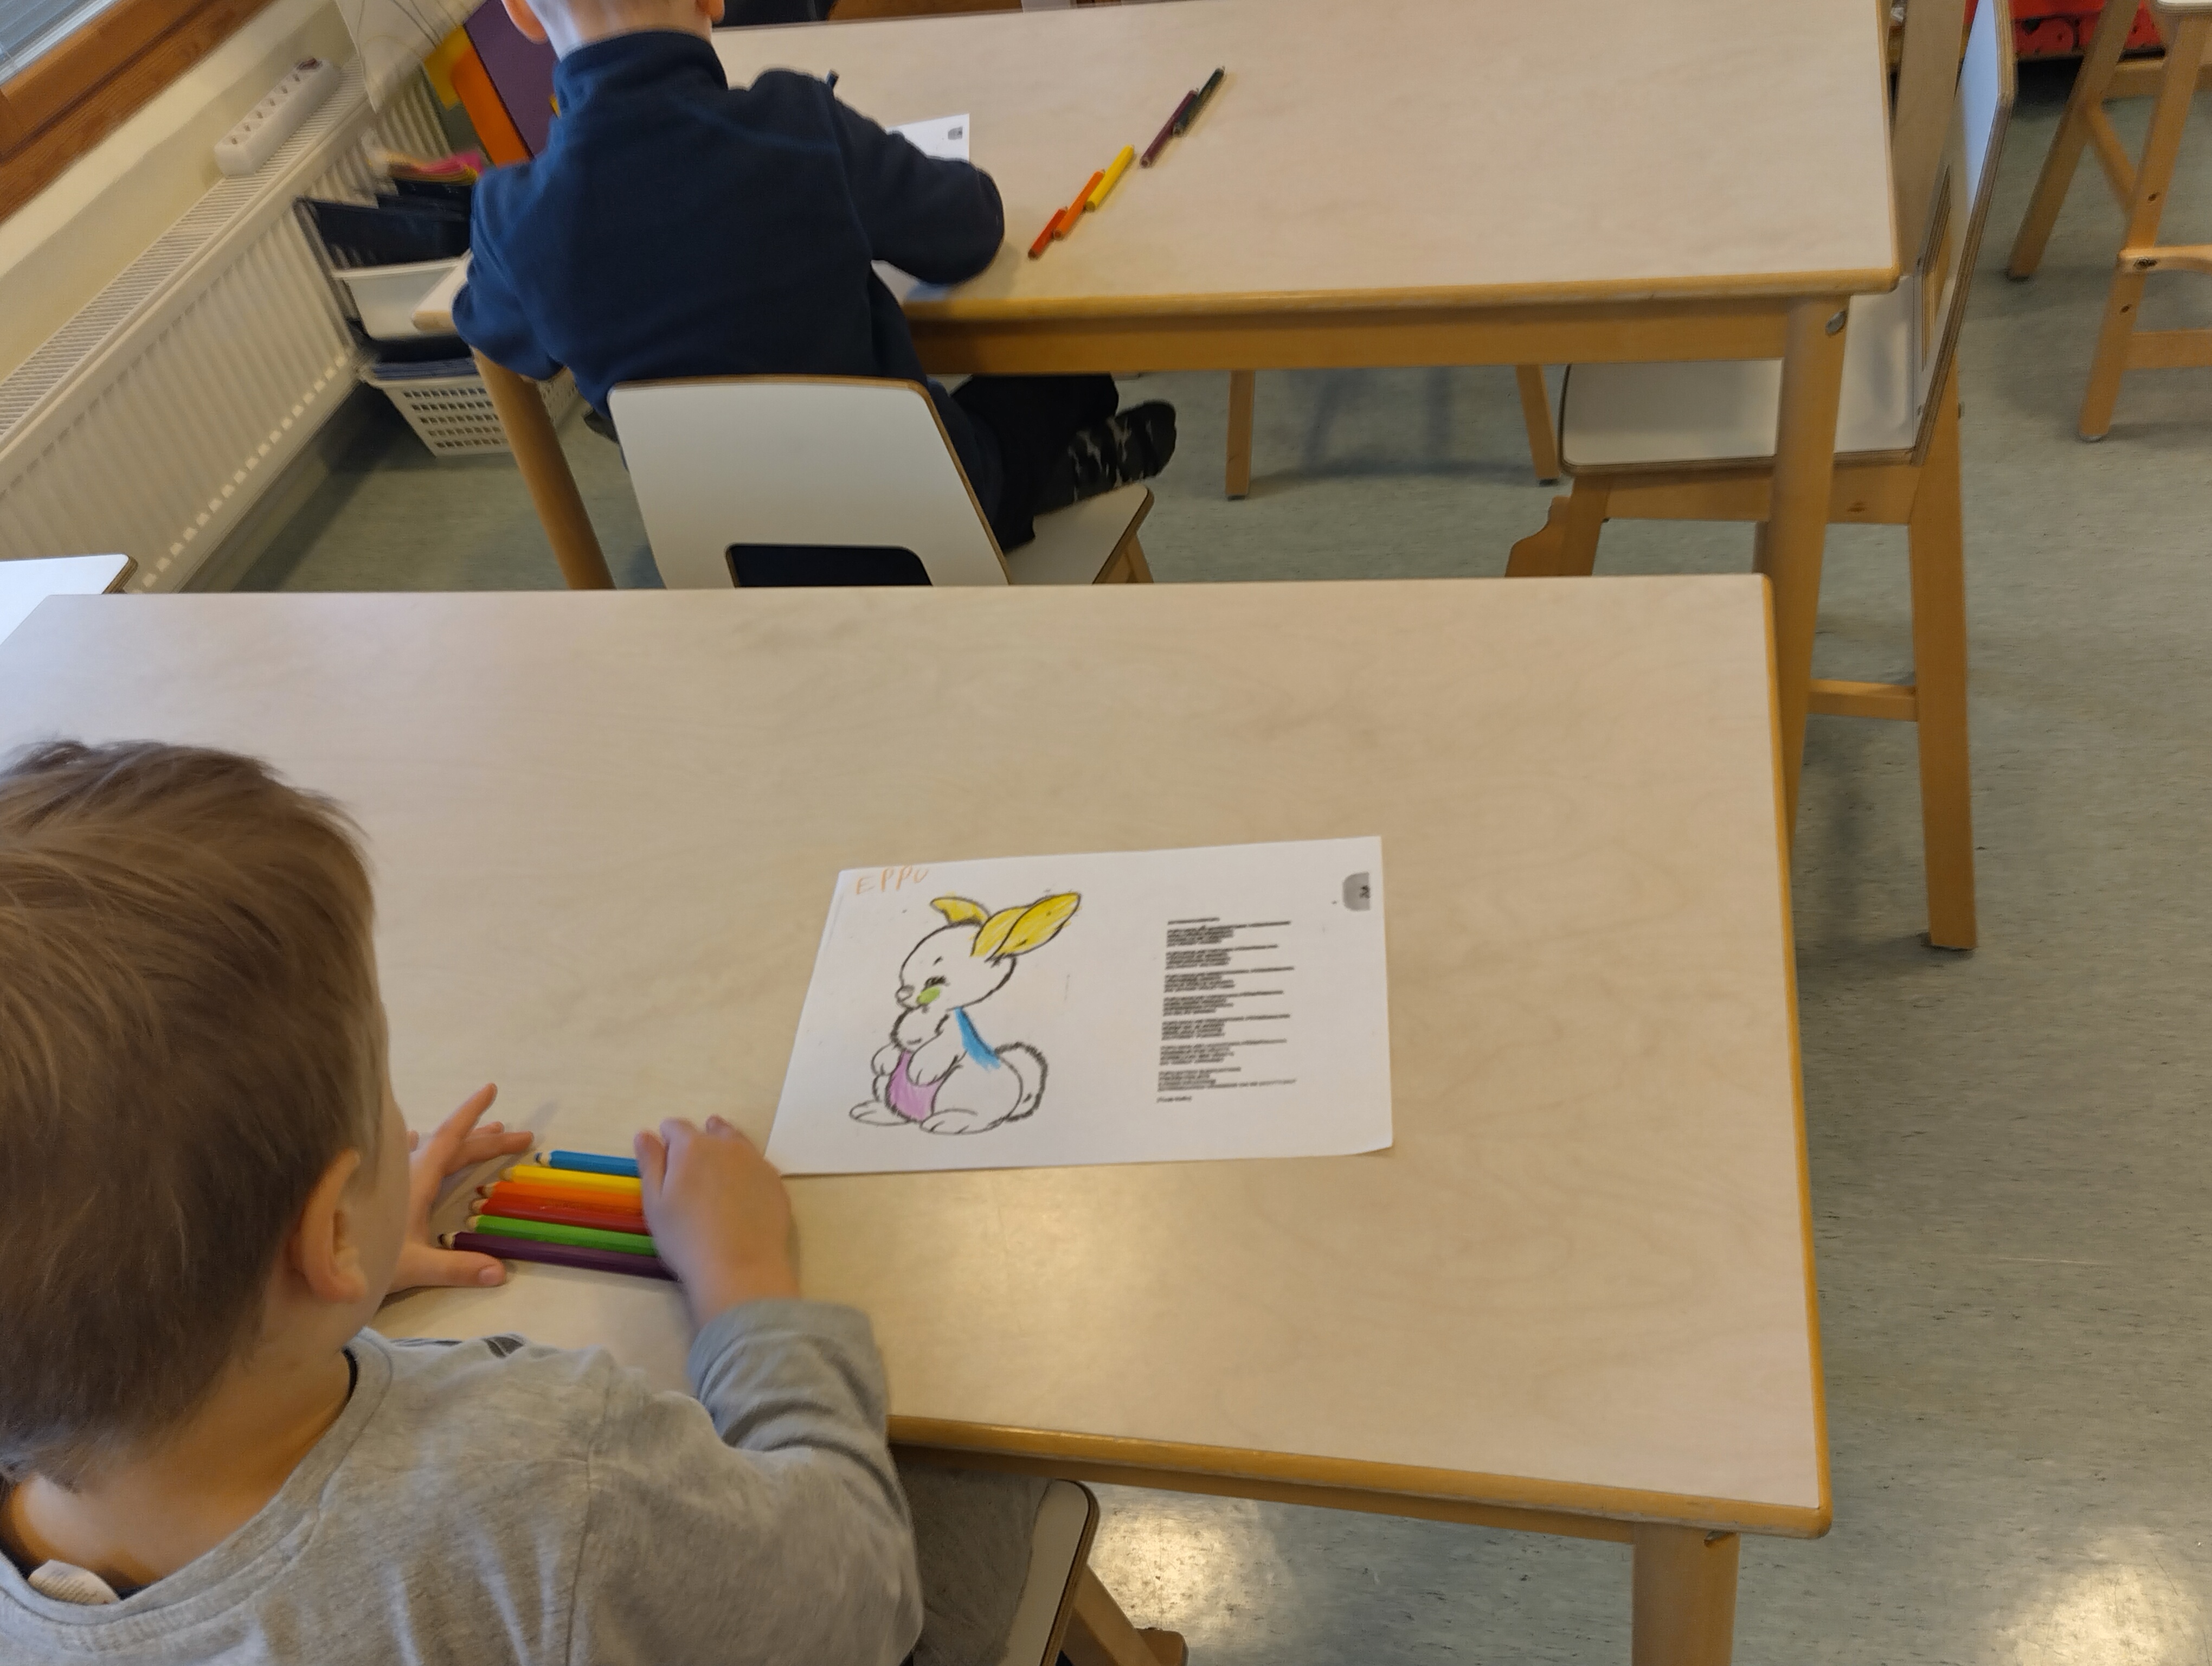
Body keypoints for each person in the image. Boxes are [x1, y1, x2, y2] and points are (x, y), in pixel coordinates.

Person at [0, 740, 925, 1662]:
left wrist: (309, 1293)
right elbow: (861, 1594)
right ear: (329, 1229)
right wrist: (746, 1284)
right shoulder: (557, 1488)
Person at [452, 0, 1176, 562]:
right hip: (921, 530)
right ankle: (1033, 489)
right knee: (1063, 374)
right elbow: (972, 228)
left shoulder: (511, 216)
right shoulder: (797, 124)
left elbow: (497, 332)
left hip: (727, 559)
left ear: (521, 14)